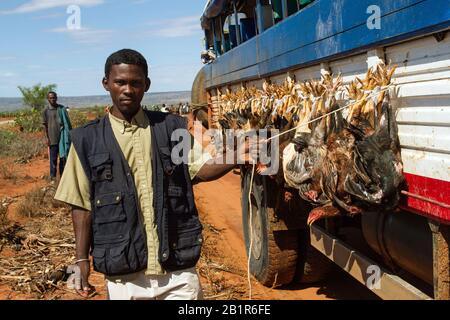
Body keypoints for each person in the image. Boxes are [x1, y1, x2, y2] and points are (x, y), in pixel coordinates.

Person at [54, 49, 243, 300]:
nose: (128, 90)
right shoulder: (86, 139)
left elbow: (200, 169)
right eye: (120, 82)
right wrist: (81, 259)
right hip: (124, 274)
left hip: (177, 272)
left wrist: (237, 156)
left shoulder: (171, 127)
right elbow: (81, 204)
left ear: (146, 85)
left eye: (136, 83)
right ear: (106, 83)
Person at [42, 91, 72, 181]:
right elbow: (44, 125)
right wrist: (46, 138)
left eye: (54, 97)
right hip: (52, 139)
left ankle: (63, 177)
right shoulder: (45, 111)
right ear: (48, 99)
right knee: (53, 159)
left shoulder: (61, 109)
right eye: (50, 98)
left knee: (63, 158)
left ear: (56, 98)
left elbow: (67, 123)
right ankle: (53, 177)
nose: (52, 99)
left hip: (62, 138)